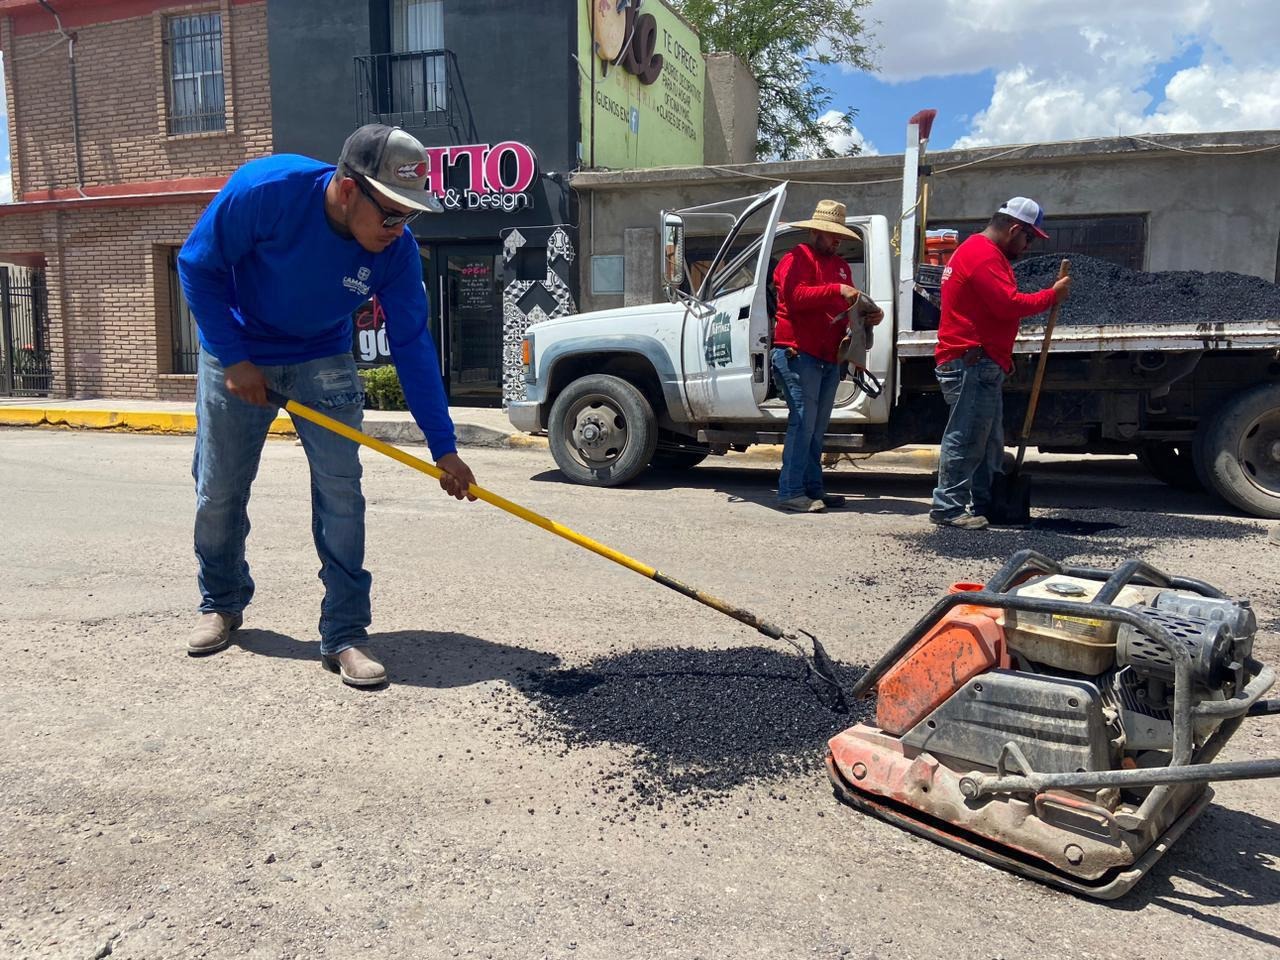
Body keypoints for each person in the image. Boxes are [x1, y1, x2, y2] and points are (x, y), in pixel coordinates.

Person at [178, 123, 477, 687]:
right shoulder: (266, 191)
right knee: (218, 488)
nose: (400, 228)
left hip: (323, 355)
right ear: (346, 189)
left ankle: (344, 632)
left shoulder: (395, 252)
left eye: (410, 215)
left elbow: (413, 345)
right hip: (237, 351)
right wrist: (234, 358)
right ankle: (221, 600)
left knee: (342, 493)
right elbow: (198, 265)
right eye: (392, 213)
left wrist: (445, 448)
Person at [929, 197, 1071, 529]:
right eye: (1028, 238)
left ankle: (985, 502)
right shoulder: (982, 255)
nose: (1027, 246)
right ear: (1014, 228)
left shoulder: (981, 252)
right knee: (966, 436)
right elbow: (1007, 304)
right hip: (971, 361)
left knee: (987, 441)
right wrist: (1053, 294)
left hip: (980, 360)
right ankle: (947, 507)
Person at [771, 200, 883, 512]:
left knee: (815, 428)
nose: (837, 240)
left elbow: (844, 307)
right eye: (832, 235)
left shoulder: (840, 267)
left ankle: (811, 489)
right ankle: (790, 492)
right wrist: (837, 290)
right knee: (804, 423)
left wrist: (869, 315)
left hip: (826, 357)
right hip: (797, 352)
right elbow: (795, 299)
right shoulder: (795, 259)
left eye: (839, 236)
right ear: (816, 232)